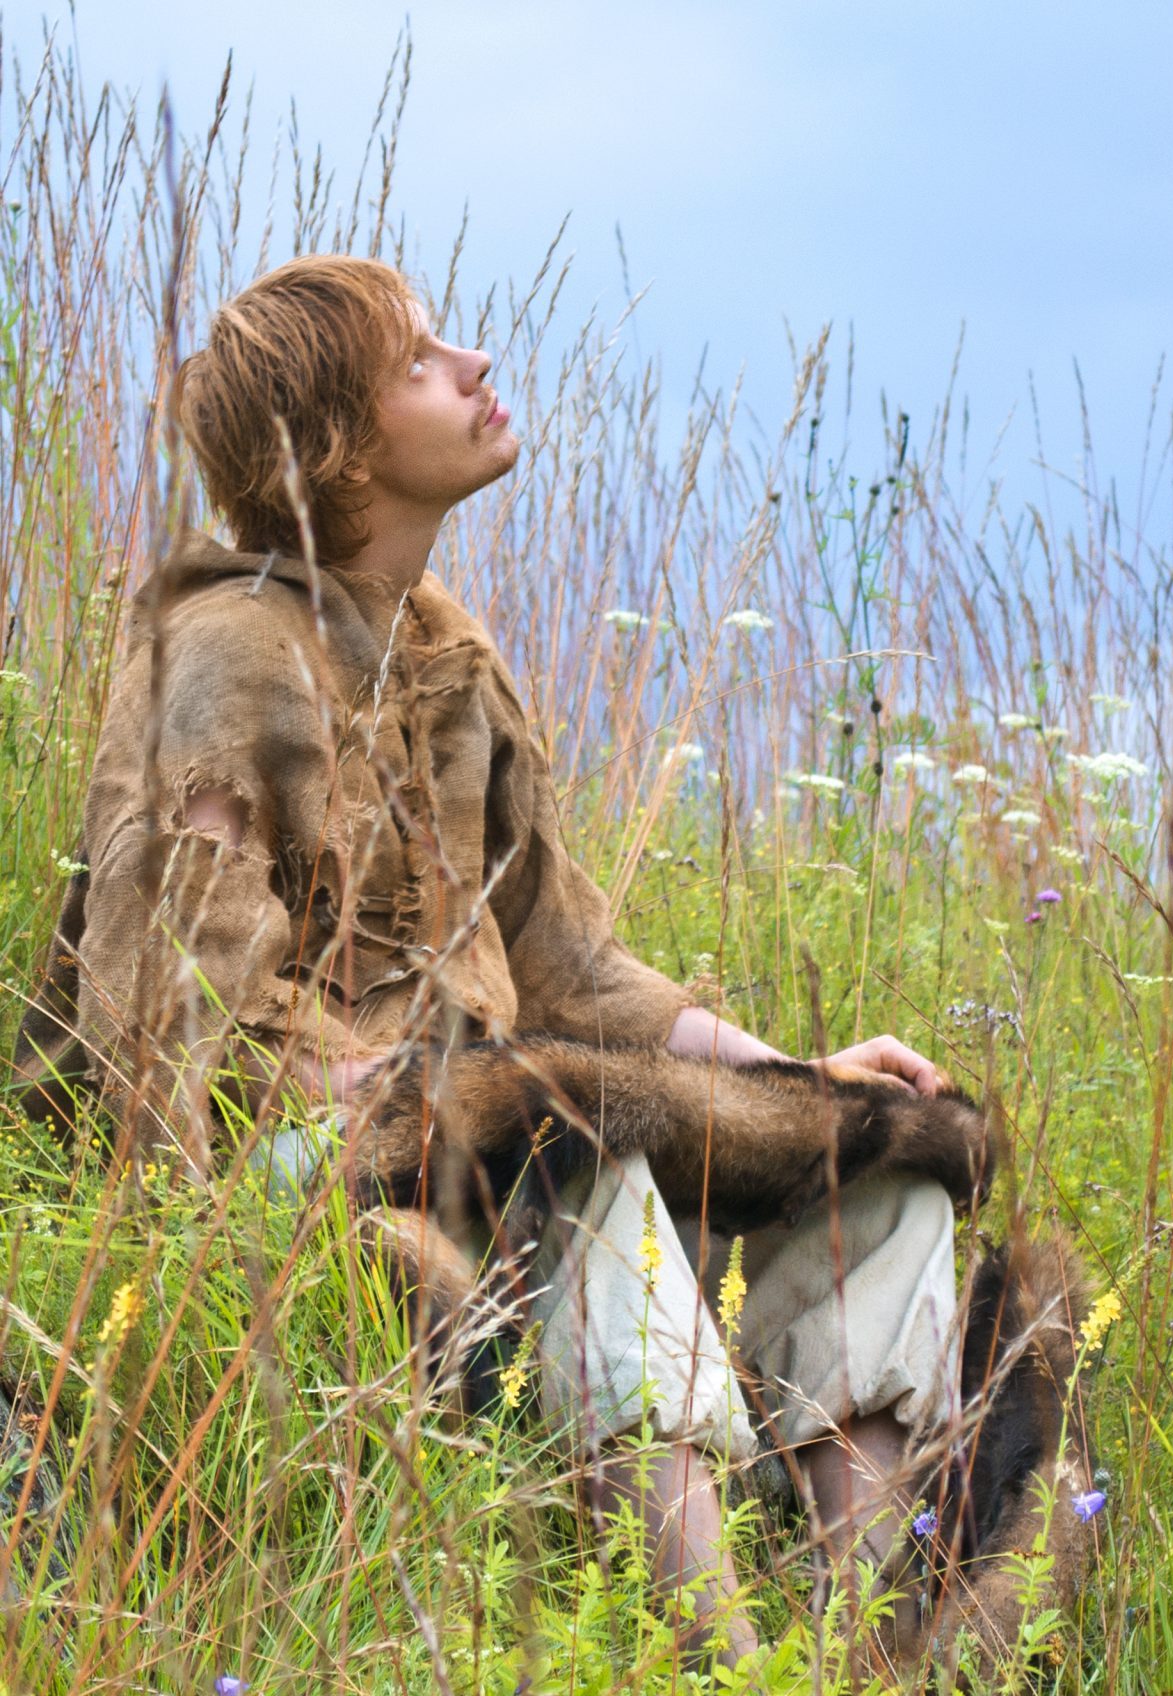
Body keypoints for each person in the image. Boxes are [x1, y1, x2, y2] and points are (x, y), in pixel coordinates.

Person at [11, 255, 959, 1669]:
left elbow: (573, 966)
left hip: (491, 1127)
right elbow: (169, 1012)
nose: (472, 363)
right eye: (419, 362)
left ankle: (869, 1640)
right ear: (333, 443)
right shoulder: (225, 648)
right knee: (573, 1134)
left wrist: (792, 1074)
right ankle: (724, 1654)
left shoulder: (453, 660)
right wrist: (407, 1119)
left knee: (878, 1166)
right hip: (300, 1171)